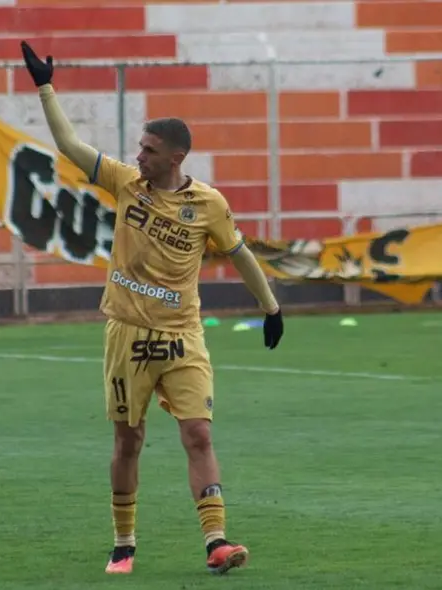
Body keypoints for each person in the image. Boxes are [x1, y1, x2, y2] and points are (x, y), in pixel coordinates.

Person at [20, 41, 286, 576]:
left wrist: (271, 307)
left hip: (183, 336)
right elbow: (69, 144)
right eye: (138, 148)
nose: (137, 155)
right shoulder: (125, 183)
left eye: (147, 149)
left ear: (175, 157)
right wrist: (45, 87)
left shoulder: (208, 204)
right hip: (127, 335)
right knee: (129, 439)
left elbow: (239, 254)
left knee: (200, 433)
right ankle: (124, 544)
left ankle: (217, 541)